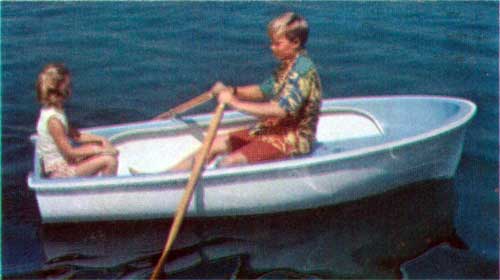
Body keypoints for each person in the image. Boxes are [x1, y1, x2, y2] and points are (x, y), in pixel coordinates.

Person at [171, 12, 322, 171]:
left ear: (295, 42)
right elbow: (263, 90)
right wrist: (232, 91)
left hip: (292, 141)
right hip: (272, 131)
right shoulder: (288, 64)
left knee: (229, 162)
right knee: (215, 143)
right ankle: (169, 176)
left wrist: (234, 103)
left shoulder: (302, 71)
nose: (272, 48)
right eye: (271, 42)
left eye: (277, 43)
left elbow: (280, 110)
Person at [35, 63, 119, 178]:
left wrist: (100, 140)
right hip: (58, 171)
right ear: (60, 89)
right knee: (110, 160)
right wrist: (99, 151)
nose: (70, 89)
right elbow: (69, 152)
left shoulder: (56, 111)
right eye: (68, 85)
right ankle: (105, 192)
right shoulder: (53, 120)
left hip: (64, 162)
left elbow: (75, 135)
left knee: (96, 145)